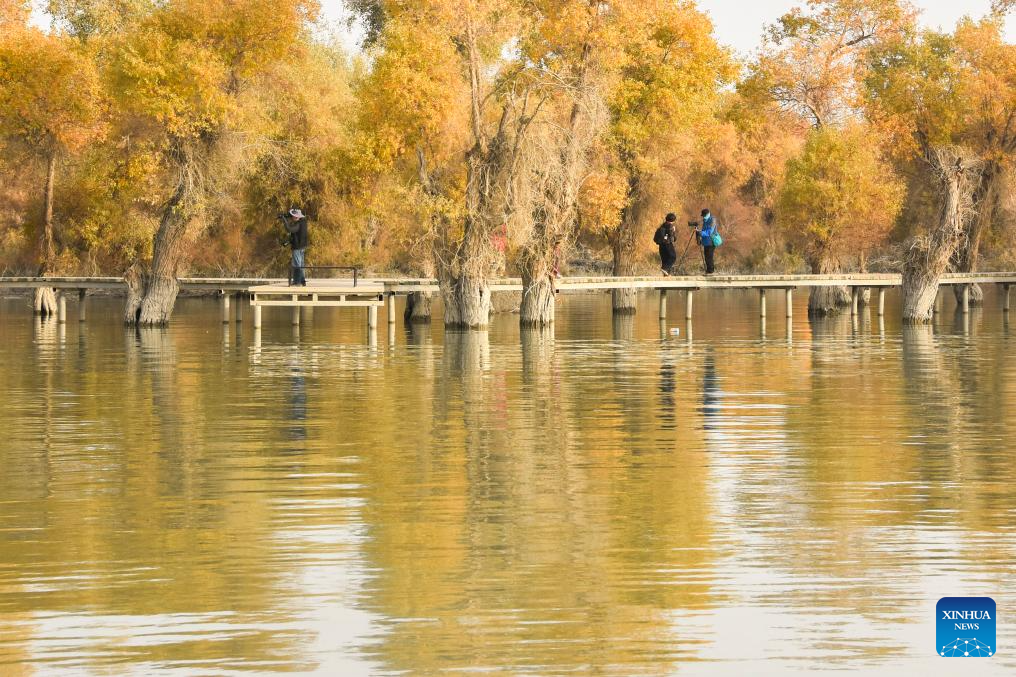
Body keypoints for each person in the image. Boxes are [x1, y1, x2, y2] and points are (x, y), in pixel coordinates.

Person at [280, 208, 309, 286]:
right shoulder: (303, 223)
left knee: (297, 265)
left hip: (297, 248)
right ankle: (302, 281)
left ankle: (297, 282)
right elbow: (296, 235)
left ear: (296, 217)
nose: (292, 217)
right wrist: (288, 241)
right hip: (302, 247)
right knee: (301, 265)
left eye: (293, 216)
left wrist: (284, 219)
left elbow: (289, 229)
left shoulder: (299, 224)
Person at [697, 208, 718, 275]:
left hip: (711, 241)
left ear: (708, 214)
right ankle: (709, 270)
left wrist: (700, 233)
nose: (703, 217)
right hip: (706, 241)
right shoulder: (705, 220)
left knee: (709, 256)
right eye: (702, 215)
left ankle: (711, 271)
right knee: (706, 256)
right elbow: (704, 230)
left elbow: (710, 232)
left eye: (704, 215)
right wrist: (700, 239)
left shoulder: (712, 220)